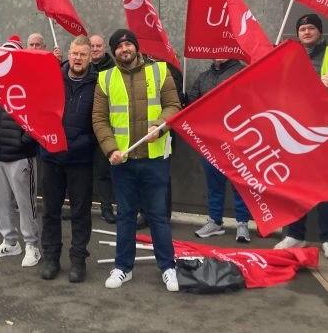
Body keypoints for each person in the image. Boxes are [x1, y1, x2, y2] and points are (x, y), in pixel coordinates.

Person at [92, 29, 181, 292]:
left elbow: (174, 106)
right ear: (114, 52)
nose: (124, 49)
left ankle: (168, 268)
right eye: (118, 47)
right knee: (126, 216)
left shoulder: (160, 71)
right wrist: (110, 150)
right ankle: (123, 267)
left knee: (158, 217)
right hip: (123, 161)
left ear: (136, 47)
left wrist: (160, 125)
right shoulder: (105, 78)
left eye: (128, 44)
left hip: (155, 159)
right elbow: (99, 119)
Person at [275, 13, 328, 258]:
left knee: (326, 187)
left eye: (310, 28)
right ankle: (295, 235)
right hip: (294, 130)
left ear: (320, 32)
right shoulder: (287, 56)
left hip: (325, 131)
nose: (306, 32)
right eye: (302, 29)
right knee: (296, 186)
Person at [41, 36, 97, 283]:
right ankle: (51, 258)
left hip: (80, 160)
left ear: (89, 57)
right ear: (68, 54)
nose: (77, 58)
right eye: (74, 53)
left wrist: (74, 145)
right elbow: (39, 112)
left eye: (83, 54)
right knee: (50, 211)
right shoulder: (52, 78)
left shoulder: (98, 84)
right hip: (51, 158)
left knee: (80, 213)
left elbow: (99, 124)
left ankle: (78, 261)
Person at [0, 38, 41, 267]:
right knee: (0, 201)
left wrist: (23, 142)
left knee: (25, 203)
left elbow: (38, 117)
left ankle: (32, 245)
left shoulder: (29, 84)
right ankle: (10, 241)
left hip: (19, 155)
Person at [186, 58, 254, 242]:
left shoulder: (242, 71)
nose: (219, 53)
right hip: (211, 140)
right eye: (216, 49)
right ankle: (215, 221)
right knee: (214, 183)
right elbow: (192, 103)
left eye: (223, 48)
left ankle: (242, 223)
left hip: (236, 138)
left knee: (240, 183)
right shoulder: (204, 77)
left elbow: (252, 99)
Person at [87, 34, 116, 224]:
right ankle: (78, 206)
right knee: (81, 172)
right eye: (92, 46)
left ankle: (107, 208)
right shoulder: (81, 67)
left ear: (104, 48)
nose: (95, 49)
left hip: (104, 127)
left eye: (98, 46)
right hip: (83, 128)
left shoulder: (114, 69)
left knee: (104, 172)